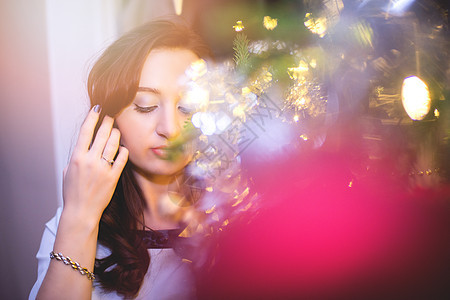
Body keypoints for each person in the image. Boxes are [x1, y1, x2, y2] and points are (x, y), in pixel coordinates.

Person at [29, 19, 213, 299]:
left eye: (187, 107)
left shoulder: (233, 214)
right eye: (145, 106)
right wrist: (81, 218)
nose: (170, 129)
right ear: (110, 120)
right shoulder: (69, 224)